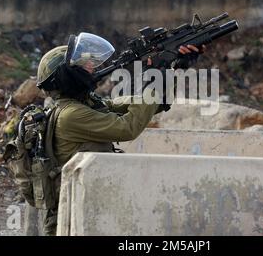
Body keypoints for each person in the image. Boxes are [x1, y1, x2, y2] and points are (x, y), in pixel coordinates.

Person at [35, 32, 203, 235]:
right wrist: (155, 80)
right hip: (74, 218)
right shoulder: (71, 115)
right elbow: (128, 126)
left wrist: (171, 67)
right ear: (65, 76)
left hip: (89, 208)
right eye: (83, 64)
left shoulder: (85, 105)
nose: (91, 67)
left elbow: (146, 104)